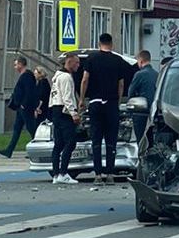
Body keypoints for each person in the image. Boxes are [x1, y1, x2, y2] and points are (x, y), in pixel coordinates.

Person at [79, 33, 132, 183]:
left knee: (96, 139)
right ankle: (109, 174)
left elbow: (85, 79)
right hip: (111, 104)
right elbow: (121, 84)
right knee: (111, 140)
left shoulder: (91, 59)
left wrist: (82, 99)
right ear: (111, 44)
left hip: (95, 102)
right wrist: (118, 100)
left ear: (99, 43)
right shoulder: (118, 60)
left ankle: (97, 175)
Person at [49, 53, 81, 184]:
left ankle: (56, 174)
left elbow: (53, 96)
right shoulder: (67, 77)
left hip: (55, 110)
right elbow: (67, 97)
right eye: (76, 63)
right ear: (69, 62)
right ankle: (63, 172)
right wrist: (74, 113)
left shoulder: (56, 77)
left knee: (58, 144)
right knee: (70, 142)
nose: (78, 65)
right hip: (64, 111)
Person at [0, 57, 38, 158]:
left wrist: (24, 104)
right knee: (17, 128)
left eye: (16, 65)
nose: (15, 67)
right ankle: (9, 150)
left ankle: (37, 149)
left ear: (21, 64)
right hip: (20, 108)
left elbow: (29, 92)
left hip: (25, 107)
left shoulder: (27, 76)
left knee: (31, 128)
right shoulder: (24, 76)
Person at [126, 49, 157, 140]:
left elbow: (131, 92)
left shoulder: (139, 74)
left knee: (141, 139)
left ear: (141, 61)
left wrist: (129, 105)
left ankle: (141, 154)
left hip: (141, 112)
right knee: (151, 139)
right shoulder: (157, 74)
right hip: (154, 112)